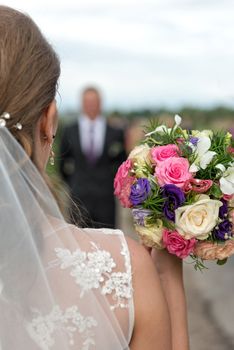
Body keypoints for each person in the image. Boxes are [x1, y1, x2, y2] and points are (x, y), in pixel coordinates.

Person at [0, 6, 189, 350]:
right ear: (48, 123)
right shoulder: (123, 269)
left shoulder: (114, 130)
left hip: (101, 198)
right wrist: (166, 278)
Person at [60, 87, 126, 228]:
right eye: (87, 102)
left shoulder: (115, 132)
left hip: (106, 201)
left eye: (94, 102)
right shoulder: (69, 131)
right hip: (78, 199)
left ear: (100, 103)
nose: (91, 105)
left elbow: (122, 164)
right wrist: (74, 183)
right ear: (82, 104)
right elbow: (62, 163)